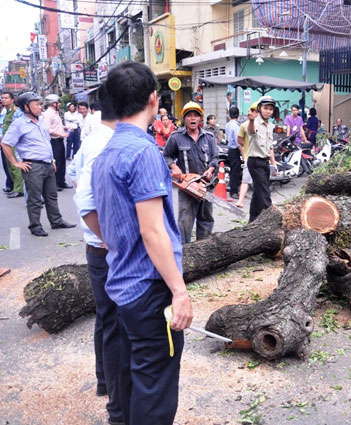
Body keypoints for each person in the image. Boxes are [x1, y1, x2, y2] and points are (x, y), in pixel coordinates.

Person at [90, 61, 193, 425]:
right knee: (156, 388)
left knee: (136, 377)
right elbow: (153, 232)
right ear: (153, 98)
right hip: (148, 292)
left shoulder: (105, 156)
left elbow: (102, 221)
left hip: (121, 285)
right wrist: (179, 292)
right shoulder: (144, 152)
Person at [72, 84, 124, 425]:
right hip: (107, 249)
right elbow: (85, 201)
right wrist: (111, 240)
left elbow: (73, 177)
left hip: (98, 246)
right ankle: (116, 397)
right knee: (116, 323)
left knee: (106, 318)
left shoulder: (91, 141)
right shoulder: (106, 144)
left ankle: (105, 381)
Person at [1, 92, 76, 236]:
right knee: (35, 199)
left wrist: (52, 160)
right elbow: (5, 144)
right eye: (36, 104)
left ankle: (56, 221)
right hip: (33, 166)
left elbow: (46, 142)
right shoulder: (19, 123)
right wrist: (16, 163)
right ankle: (35, 226)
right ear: (26, 107)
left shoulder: (41, 121)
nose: (40, 107)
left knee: (51, 196)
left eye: (39, 104)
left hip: (48, 164)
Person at [163, 101, 218, 244]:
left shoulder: (209, 137)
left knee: (206, 219)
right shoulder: (176, 137)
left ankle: (203, 250)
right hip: (187, 187)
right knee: (184, 222)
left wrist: (211, 169)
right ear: (184, 119)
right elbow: (166, 155)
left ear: (200, 119)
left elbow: (215, 158)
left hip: (205, 185)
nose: (192, 118)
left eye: (196, 116)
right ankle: (184, 253)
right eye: (189, 116)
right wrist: (175, 168)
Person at [246, 96, 278, 222]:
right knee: (265, 193)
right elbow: (251, 131)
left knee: (257, 194)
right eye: (265, 108)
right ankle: (273, 220)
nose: (268, 111)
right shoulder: (255, 121)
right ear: (259, 108)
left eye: (271, 109)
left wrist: (274, 164)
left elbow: (270, 148)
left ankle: (252, 222)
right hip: (255, 161)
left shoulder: (270, 125)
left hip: (265, 162)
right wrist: (251, 121)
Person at [42, 94, 72, 190]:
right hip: (54, 141)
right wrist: (62, 134)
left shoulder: (55, 113)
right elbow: (48, 129)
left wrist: (64, 128)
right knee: (56, 162)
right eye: (58, 102)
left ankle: (61, 181)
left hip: (59, 140)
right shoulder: (48, 114)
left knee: (61, 162)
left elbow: (56, 125)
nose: (59, 104)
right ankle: (55, 183)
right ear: (53, 103)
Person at [234, 102, 258, 209]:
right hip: (250, 157)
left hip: (261, 158)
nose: (255, 113)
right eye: (254, 111)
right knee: (245, 180)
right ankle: (241, 200)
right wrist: (248, 146)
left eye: (257, 111)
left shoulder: (265, 125)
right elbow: (239, 140)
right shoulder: (244, 125)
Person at [1, 92, 24, 198]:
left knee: (15, 166)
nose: (3, 100)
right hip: (7, 142)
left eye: (6, 98)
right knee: (10, 166)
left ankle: (19, 189)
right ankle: (15, 187)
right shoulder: (7, 111)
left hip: (13, 142)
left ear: (12, 100)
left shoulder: (16, 111)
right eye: (2, 98)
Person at [225, 106, 241, 199]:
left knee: (233, 170)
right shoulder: (236, 126)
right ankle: (234, 191)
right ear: (238, 115)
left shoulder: (228, 124)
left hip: (230, 149)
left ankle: (234, 190)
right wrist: (243, 153)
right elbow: (238, 142)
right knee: (235, 171)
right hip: (235, 150)